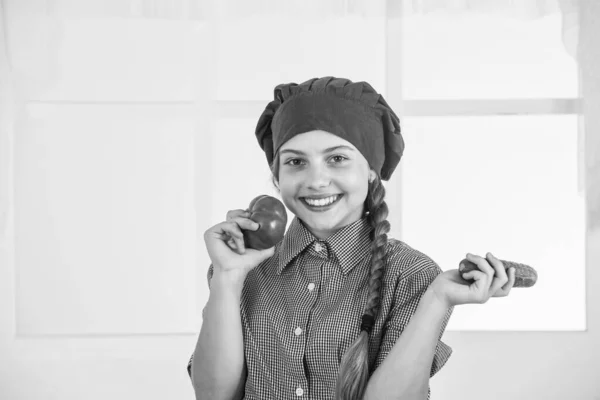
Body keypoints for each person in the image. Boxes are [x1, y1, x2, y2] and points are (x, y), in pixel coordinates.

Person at [187, 77, 516, 400]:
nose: (316, 180)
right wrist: (228, 278)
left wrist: (437, 300)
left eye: (337, 159)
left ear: (371, 170)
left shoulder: (411, 274)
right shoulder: (243, 263)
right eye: (296, 162)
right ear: (277, 176)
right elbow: (213, 395)